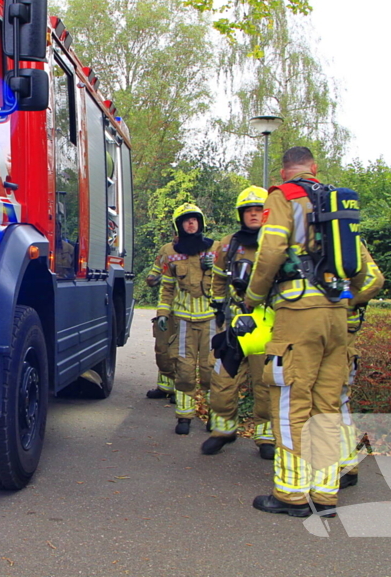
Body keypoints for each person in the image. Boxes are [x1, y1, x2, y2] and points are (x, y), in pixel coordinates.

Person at [246, 146, 366, 518]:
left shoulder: (283, 196)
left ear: (284, 171)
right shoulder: (337, 205)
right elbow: (368, 274)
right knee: (327, 407)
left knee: (291, 403)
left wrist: (253, 297)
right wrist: (346, 300)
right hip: (336, 315)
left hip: (298, 313)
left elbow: (271, 251)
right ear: (314, 168)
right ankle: (325, 493)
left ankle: (292, 494)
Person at [201, 186, 275, 458]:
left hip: (267, 324)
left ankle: (266, 437)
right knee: (221, 380)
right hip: (235, 323)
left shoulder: (278, 241)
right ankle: (223, 430)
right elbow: (219, 278)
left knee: (265, 385)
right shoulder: (228, 244)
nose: (253, 215)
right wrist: (218, 308)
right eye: (248, 211)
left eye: (259, 210)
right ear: (240, 215)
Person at [157, 203, 215, 434]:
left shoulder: (215, 249)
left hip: (211, 320)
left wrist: (216, 268)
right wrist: (163, 314)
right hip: (183, 322)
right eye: (186, 220)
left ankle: (214, 416)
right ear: (179, 225)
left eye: (194, 220)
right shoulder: (171, 253)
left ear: (201, 223)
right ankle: (184, 417)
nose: (191, 224)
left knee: (211, 371)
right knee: (184, 371)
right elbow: (167, 288)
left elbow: (229, 281)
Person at [337, 240, 385, 490]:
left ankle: (345, 465)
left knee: (335, 399)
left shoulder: (345, 239)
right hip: (329, 332)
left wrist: (348, 303)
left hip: (337, 334)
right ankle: (341, 464)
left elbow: (374, 280)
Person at [145, 242, 177, 400]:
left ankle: (182, 390)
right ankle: (165, 387)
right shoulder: (166, 249)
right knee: (162, 349)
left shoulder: (200, 248)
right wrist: (152, 278)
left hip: (188, 311)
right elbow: (156, 270)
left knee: (182, 352)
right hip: (167, 308)